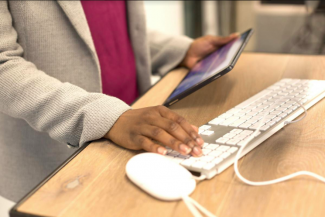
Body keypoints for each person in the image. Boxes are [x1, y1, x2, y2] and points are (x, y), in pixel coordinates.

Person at [0, 0, 238, 206]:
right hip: (63, 155)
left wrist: (178, 50)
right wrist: (110, 117)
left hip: (135, 129)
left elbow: (108, 25)